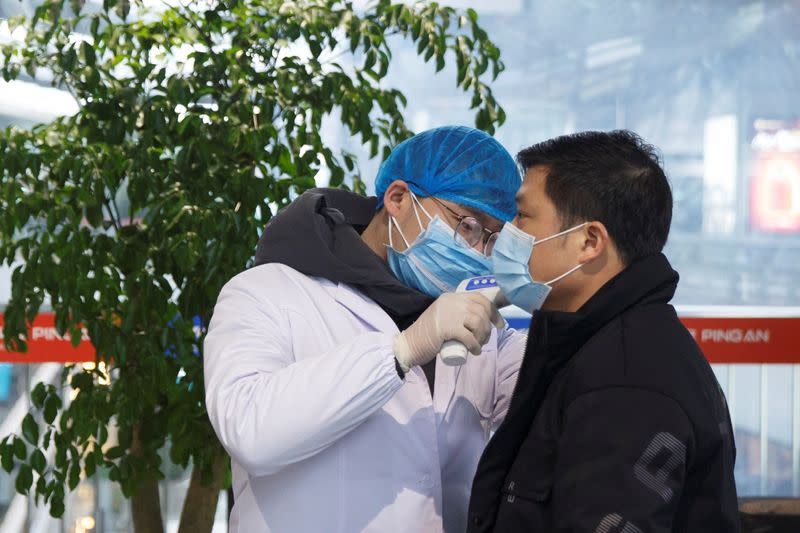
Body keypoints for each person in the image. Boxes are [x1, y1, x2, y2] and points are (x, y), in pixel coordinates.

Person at [204, 126, 528, 533]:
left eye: (493, 241)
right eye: (468, 226)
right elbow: (250, 430)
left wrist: (551, 283)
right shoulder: (266, 292)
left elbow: (573, 380)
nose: (478, 252)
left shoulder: (478, 325)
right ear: (397, 199)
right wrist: (402, 351)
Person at [467, 130, 740, 532]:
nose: (507, 233)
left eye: (522, 216)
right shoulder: (598, 344)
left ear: (589, 241)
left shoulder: (626, 381)